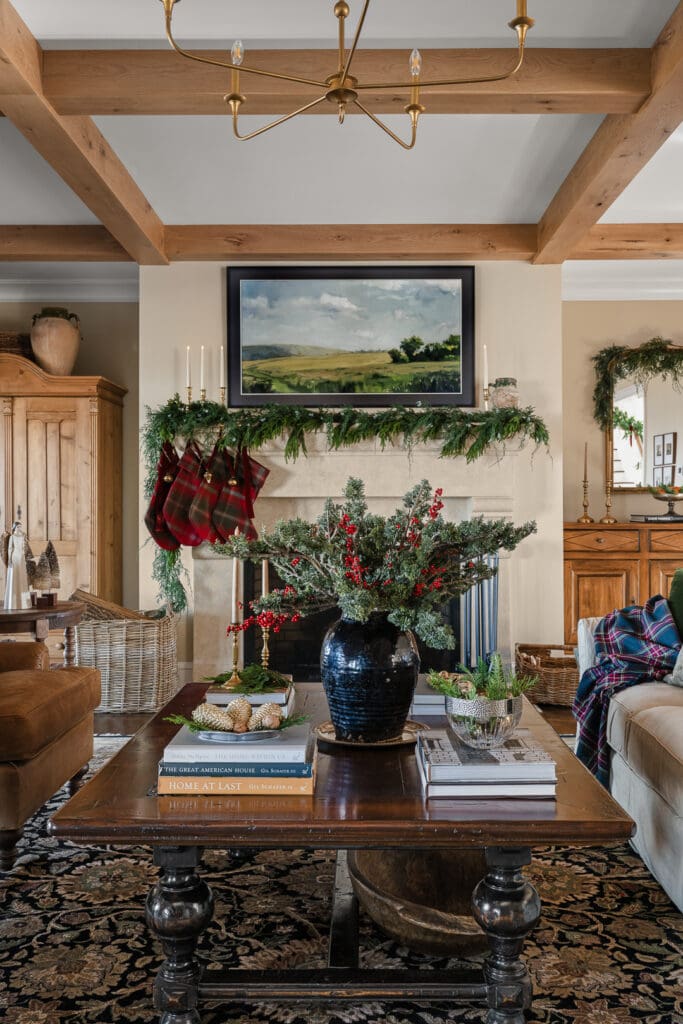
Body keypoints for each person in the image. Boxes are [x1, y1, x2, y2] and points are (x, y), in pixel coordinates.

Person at [3, 513, 31, 610]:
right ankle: (13, 602)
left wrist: (24, 554)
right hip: (15, 557)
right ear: (15, 527)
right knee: (15, 577)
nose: (20, 528)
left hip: (21, 557)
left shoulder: (22, 536)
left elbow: (24, 547)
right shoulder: (12, 537)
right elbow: (10, 548)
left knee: (22, 577)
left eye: (20, 526)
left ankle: (23, 603)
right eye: (18, 526)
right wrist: (10, 559)